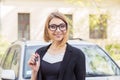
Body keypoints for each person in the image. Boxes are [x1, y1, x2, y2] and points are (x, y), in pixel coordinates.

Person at [28, 11, 86, 80]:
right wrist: (34, 71)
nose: (58, 30)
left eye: (62, 26)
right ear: (47, 29)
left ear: (66, 28)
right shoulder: (39, 53)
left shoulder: (77, 55)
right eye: (53, 26)